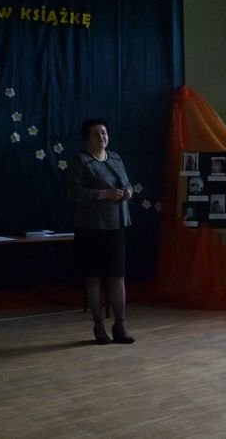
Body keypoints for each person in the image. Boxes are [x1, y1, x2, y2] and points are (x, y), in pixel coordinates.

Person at [67, 118, 135, 345]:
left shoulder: (115, 158)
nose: (101, 137)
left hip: (117, 224)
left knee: (117, 276)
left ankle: (120, 325)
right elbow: (74, 192)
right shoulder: (80, 160)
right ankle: (98, 325)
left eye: (104, 133)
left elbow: (127, 183)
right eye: (96, 134)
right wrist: (104, 194)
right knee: (94, 277)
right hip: (92, 227)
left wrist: (128, 192)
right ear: (87, 139)